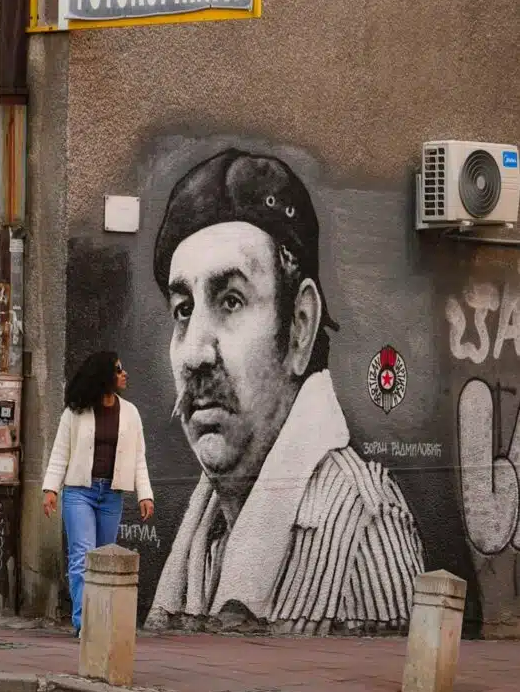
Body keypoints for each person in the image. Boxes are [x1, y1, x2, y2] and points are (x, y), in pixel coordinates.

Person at [146, 148, 424, 635]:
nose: (194, 353)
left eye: (230, 300)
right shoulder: (206, 529)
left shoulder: (364, 529)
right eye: (183, 309)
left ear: (299, 327)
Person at [42, 351, 155, 636]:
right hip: (80, 492)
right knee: (82, 556)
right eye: (118, 370)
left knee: (104, 559)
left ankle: (100, 620)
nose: (124, 374)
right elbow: (60, 453)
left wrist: (145, 493)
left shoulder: (130, 412)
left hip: (111, 495)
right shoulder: (75, 411)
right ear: (104, 376)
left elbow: (139, 456)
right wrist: (51, 489)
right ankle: (85, 624)